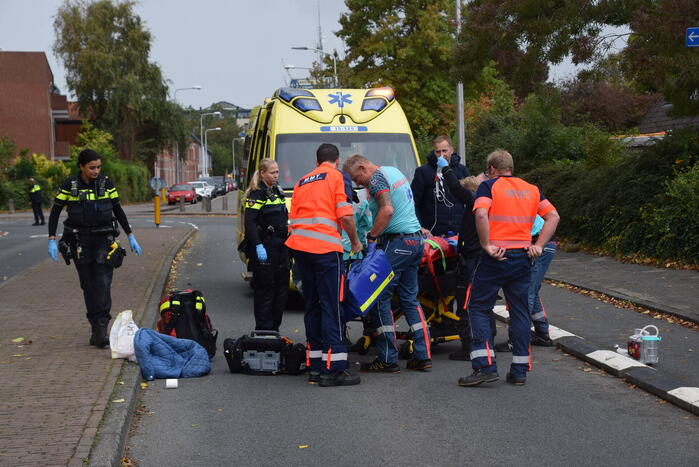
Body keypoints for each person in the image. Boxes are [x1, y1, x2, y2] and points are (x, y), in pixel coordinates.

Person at [458, 149, 559, 387]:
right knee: (520, 311)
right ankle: (519, 370)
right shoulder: (532, 189)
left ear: (492, 169)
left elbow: (481, 214)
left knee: (478, 308)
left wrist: (486, 245)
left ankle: (485, 366)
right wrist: (539, 245)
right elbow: (553, 216)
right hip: (523, 257)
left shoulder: (489, 187)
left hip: (496, 257)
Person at [344, 154, 432, 373]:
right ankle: (423, 355)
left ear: (363, 167)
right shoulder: (394, 171)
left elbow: (387, 210)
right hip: (414, 242)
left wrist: (372, 236)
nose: (358, 184)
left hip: (397, 243)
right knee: (410, 299)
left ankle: (387, 358)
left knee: (380, 296)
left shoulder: (376, 179)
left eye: (357, 178)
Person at [47, 149, 143, 348]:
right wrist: (51, 239)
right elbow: (55, 212)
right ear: (81, 167)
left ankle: (101, 328)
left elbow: (117, 209)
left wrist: (131, 235)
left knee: (103, 282)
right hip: (79, 241)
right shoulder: (69, 185)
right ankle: (94, 327)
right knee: (88, 285)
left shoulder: (106, 184)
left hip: (103, 240)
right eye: (92, 167)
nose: (96, 171)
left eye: (98, 167)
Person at [286, 143, 363, 387]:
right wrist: (355, 241)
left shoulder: (302, 181)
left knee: (312, 306)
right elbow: (345, 215)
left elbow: (294, 218)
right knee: (332, 306)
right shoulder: (336, 177)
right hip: (326, 251)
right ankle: (335, 369)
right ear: (337, 161)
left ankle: (316, 366)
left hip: (301, 249)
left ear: (317, 160)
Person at [436, 154, 486, 360]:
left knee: (466, 303)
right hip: (476, 259)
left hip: (472, 261)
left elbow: (456, 189)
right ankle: (482, 341)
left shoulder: (474, 202)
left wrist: (446, 169)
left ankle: (469, 348)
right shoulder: (476, 207)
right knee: (480, 302)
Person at [494, 215, 557, 351]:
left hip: (536, 245)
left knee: (524, 293)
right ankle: (542, 333)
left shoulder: (508, 204)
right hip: (544, 244)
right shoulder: (520, 198)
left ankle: (516, 340)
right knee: (531, 291)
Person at [243, 158, 289, 332]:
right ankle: (263, 330)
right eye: (272, 172)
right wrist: (257, 245)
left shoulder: (276, 191)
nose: (276, 175)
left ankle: (274, 330)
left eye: (277, 172)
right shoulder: (257, 193)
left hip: (281, 246)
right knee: (265, 291)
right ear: (262, 173)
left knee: (281, 291)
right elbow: (250, 222)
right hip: (265, 245)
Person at [411, 135, 470, 236]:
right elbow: (413, 202)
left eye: (444, 151)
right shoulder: (423, 172)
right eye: (438, 152)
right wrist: (419, 226)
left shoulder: (462, 170)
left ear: (452, 150)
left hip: (458, 231)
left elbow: (471, 199)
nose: (441, 155)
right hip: (432, 232)